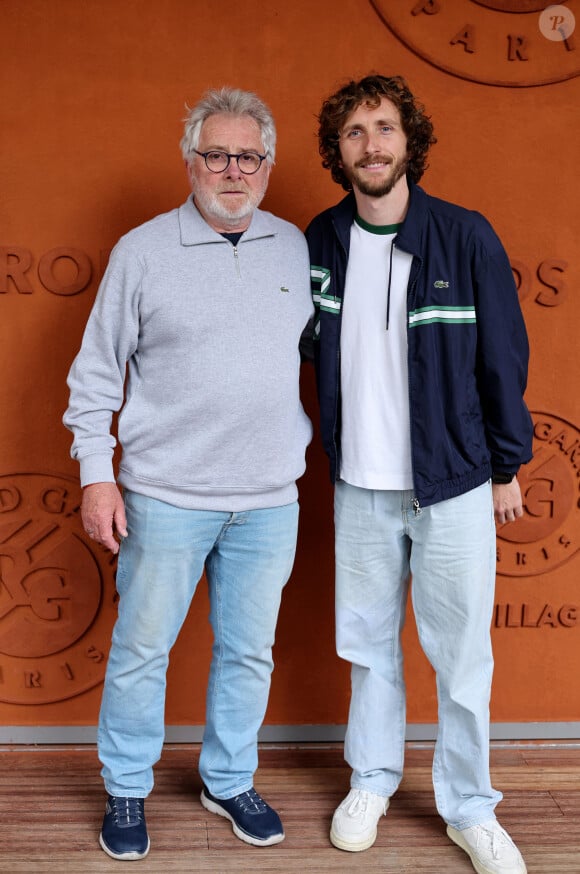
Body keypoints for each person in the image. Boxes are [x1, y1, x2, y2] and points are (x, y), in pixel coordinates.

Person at [63, 86, 313, 861]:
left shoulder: (296, 246)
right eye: (217, 154)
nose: (232, 170)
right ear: (191, 161)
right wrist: (95, 475)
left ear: (267, 167)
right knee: (142, 649)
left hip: (270, 500)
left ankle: (228, 778)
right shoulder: (141, 252)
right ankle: (128, 788)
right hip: (164, 496)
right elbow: (95, 375)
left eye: (249, 156)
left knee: (248, 651)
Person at [305, 74, 532, 874]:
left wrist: (507, 464)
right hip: (360, 486)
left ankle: (471, 808)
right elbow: (302, 348)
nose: (371, 144)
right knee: (369, 648)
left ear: (411, 141)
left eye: (384, 128)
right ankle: (371, 778)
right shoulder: (321, 239)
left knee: (462, 657)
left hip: (457, 484)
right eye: (355, 132)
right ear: (339, 152)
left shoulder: (466, 236)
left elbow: (504, 359)